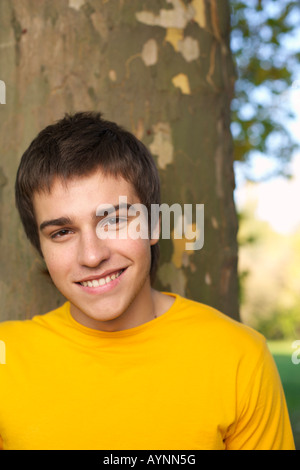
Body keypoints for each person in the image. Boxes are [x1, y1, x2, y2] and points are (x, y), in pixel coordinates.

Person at [0, 112, 295, 450]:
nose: (92, 255)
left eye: (113, 220)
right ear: (42, 248)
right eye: (63, 232)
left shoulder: (240, 356)